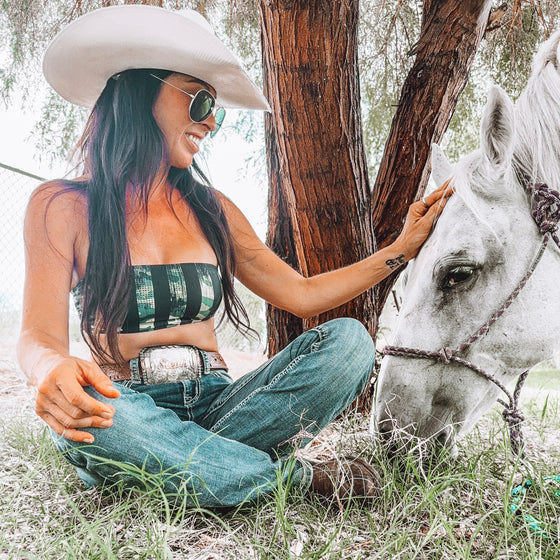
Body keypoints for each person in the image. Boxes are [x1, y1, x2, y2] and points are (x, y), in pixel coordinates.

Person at [17, 5, 450, 509]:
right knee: (89, 417)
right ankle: (291, 479)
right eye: (201, 102)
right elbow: (37, 336)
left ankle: (179, 466)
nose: (212, 124)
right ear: (141, 88)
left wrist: (400, 251)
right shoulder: (62, 206)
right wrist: (49, 366)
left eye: (218, 112)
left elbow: (302, 294)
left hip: (224, 403)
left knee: (350, 342)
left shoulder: (213, 210)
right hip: (127, 404)